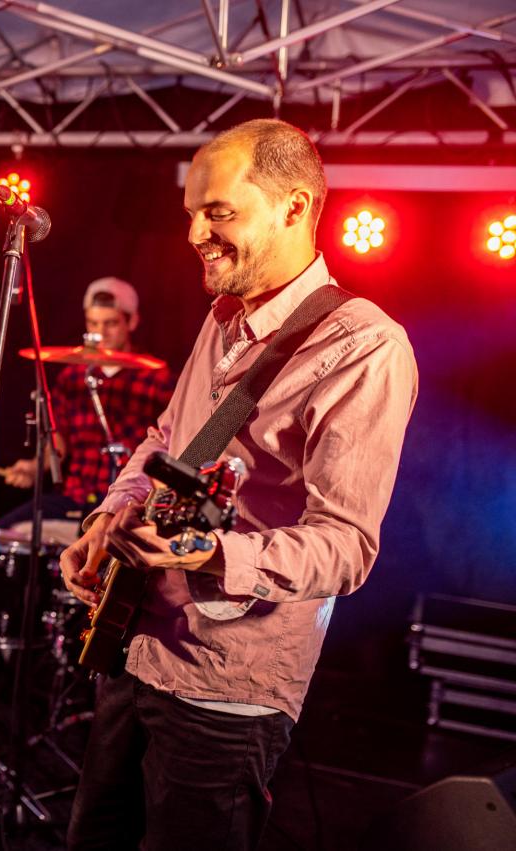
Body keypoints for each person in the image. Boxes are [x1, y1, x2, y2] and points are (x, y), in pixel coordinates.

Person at [59, 118, 418, 850]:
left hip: (227, 684)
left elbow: (347, 546)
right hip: (136, 643)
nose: (195, 233)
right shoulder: (223, 314)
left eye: (218, 212)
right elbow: (168, 438)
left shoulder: (365, 345)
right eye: (192, 212)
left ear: (293, 206)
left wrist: (213, 554)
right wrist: (109, 516)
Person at [1, 277, 174, 537]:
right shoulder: (72, 377)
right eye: (93, 323)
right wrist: (35, 467)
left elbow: (171, 443)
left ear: (132, 322)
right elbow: (58, 446)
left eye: (111, 323)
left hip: (127, 502)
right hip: (74, 498)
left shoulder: (157, 379)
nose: (100, 332)